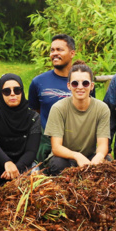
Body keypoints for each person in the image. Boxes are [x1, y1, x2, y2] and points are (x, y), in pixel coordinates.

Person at [28, 34, 92, 162]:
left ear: (72, 53)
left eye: (59, 50)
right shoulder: (38, 82)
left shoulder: (84, 82)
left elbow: (90, 109)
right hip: (50, 144)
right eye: (52, 50)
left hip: (81, 141)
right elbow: (34, 113)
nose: (54, 53)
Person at [45, 63, 111, 176]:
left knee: (107, 162)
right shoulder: (58, 108)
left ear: (92, 86)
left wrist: (98, 158)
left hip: (90, 154)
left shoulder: (102, 108)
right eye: (75, 83)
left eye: (85, 83)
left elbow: (103, 144)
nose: (80, 87)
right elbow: (56, 148)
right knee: (57, 164)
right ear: (69, 86)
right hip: (65, 157)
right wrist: (77, 156)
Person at [0, 73, 41, 184]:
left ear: (22, 92)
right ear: (0, 93)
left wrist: (15, 168)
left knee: (35, 172)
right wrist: (6, 162)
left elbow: (31, 150)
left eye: (17, 90)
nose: (12, 94)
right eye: (6, 91)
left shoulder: (33, 117)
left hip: (23, 163)